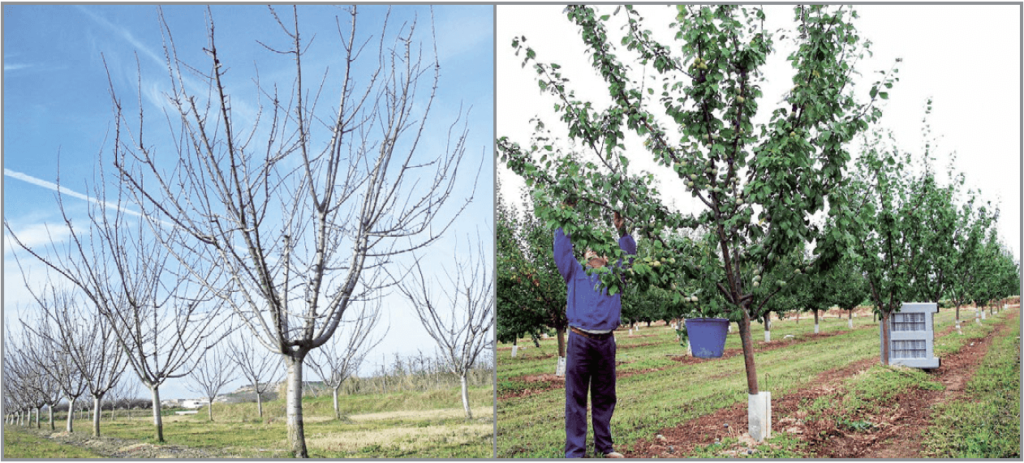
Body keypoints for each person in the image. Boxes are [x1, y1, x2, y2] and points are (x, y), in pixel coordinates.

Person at [554, 208, 636, 458]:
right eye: (590, 249)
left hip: (605, 342)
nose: (594, 252)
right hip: (580, 340)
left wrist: (622, 230)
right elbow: (562, 249)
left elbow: (630, 257)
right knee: (576, 399)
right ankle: (575, 452)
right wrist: (565, 218)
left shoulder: (615, 276)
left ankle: (605, 446)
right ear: (584, 255)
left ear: (609, 258)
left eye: (600, 249)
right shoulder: (575, 272)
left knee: (604, 396)